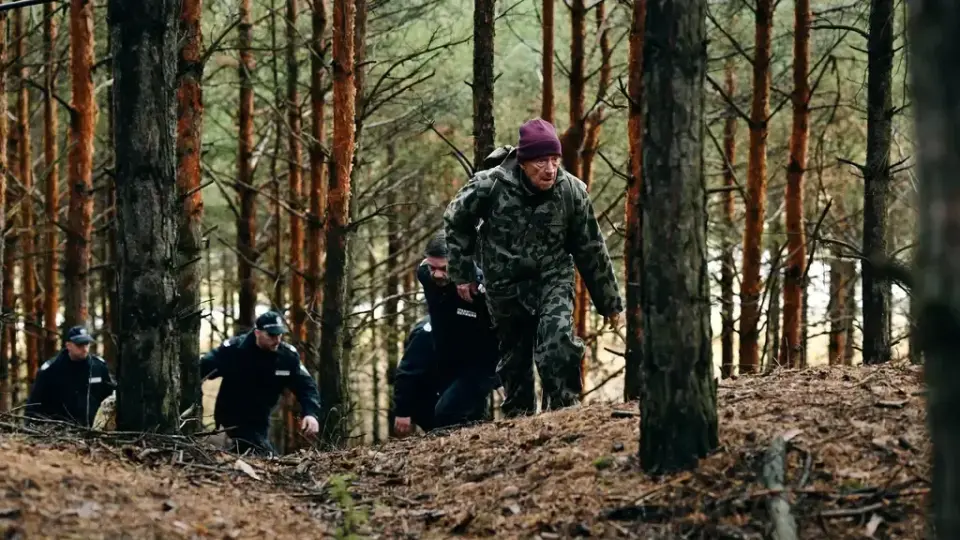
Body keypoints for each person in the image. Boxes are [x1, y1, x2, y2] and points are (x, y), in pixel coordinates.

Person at [442, 117, 624, 417]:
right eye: (541, 161)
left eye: (554, 160)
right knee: (515, 365)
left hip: (552, 279)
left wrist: (610, 303)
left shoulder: (571, 192)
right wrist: (462, 274)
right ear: (524, 162)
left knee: (558, 342)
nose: (550, 169)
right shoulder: (490, 185)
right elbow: (455, 220)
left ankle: (565, 416)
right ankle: (519, 425)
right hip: (504, 287)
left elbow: (591, 247)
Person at [200, 311, 321, 455]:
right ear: (257, 333)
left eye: (279, 335)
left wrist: (310, 413)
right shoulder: (234, 350)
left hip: (261, 416)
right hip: (232, 413)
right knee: (261, 452)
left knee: (256, 450)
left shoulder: (287, 356)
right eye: (271, 335)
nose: (276, 340)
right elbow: (202, 367)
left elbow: (306, 386)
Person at [392, 316, 496, 435]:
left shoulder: (475, 325)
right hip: (426, 394)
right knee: (444, 422)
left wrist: (500, 383)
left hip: (458, 386)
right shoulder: (427, 333)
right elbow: (408, 371)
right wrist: (402, 411)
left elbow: (484, 361)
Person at [24, 326, 116, 427]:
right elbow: (34, 404)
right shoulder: (51, 370)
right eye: (79, 345)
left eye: (86, 344)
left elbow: (109, 398)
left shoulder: (99, 367)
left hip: (93, 430)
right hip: (58, 433)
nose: (84, 349)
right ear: (68, 345)